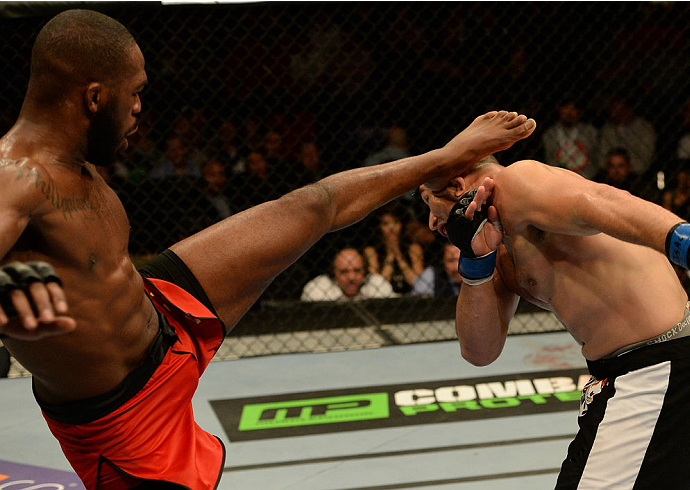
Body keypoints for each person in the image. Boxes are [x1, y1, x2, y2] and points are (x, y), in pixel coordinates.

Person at [0, 9, 535, 489]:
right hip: (126, 422)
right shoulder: (15, 178)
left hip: (159, 310)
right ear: (94, 97)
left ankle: (441, 157)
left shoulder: (76, 163)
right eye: (133, 92)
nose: (141, 108)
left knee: (307, 208)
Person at [419, 150, 690, 489]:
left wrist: (686, 242)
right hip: (632, 373)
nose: (431, 222)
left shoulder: (516, 183)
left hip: (658, 370)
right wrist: (476, 262)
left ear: (459, 184)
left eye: (428, 201)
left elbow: (605, 201)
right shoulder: (496, 247)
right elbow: (479, 351)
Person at [363, 203, 425, 295]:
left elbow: (418, 283)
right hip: (383, 299)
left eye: (395, 222)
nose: (391, 228)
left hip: (412, 295)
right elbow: (378, 285)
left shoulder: (413, 248)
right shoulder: (371, 251)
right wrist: (391, 254)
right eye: (386, 223)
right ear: (379, 227)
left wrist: (398, 255)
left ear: (401, 225)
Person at [301, 248, 396, 301]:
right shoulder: (318, 288)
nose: (351, 277)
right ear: (334, 273)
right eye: (344, 272)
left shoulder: (376, 283)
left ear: (364, 271)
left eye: (357, 270)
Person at [541, 97, 598, 179]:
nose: (569, 112)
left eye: (573, 109)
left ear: (578, 111)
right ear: (559, 110)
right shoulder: (550, 134)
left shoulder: (589, 132)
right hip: (558, 177)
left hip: (586, 176)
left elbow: (593, 158)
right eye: (566, 108)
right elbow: (550, 160)